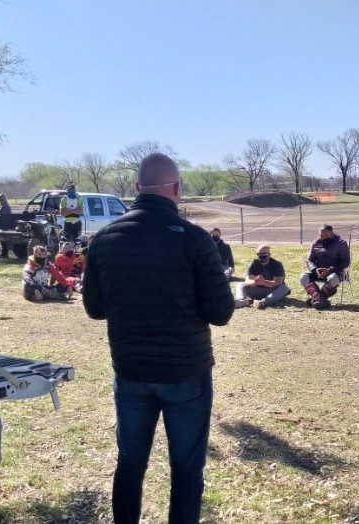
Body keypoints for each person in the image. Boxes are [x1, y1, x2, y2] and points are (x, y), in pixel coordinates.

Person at [82, 153, 234, 524]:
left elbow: (94, 308)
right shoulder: (196, 240)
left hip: (131, 371)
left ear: (136, 189)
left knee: (130, 464)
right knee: (186, 468)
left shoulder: (104, 240)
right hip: (186, 372)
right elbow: (221, 312)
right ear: (177, 190)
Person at [299, 225, 351, 310]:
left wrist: (329, 270)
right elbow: (309, 260)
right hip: (318, 272)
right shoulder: (315, 243)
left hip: (336, 272)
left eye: (326, 235)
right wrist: (315, 270)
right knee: (303, 277)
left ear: (332, 233)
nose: (323, 237)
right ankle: (321, 300)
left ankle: (316, 299)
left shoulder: (341, 243)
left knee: (333, 278)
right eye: (321, 235)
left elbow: (345, 262)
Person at [235, 244, 290, 309]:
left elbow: (278, 282)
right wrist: (255, 282)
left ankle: (262, 303)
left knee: (284, 288)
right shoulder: (253, 264)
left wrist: (264, 282)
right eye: (259, 255)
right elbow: (248, 281)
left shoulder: (277, 265)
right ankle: (242, 301)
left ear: (269, 254)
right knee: (240, 285)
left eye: (264, 255)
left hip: (272, 291)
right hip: (257, 289)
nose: (262, 258)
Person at [0, 193, 13, 258]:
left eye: (1, 200)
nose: (0, 201)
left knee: (4, 240)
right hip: (4, 225)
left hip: (5, 225)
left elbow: (4, 216)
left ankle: (5, 253)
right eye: (0, 200)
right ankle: (4, 253)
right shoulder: (5, 206)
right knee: (3, 240)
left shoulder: (6, 207)